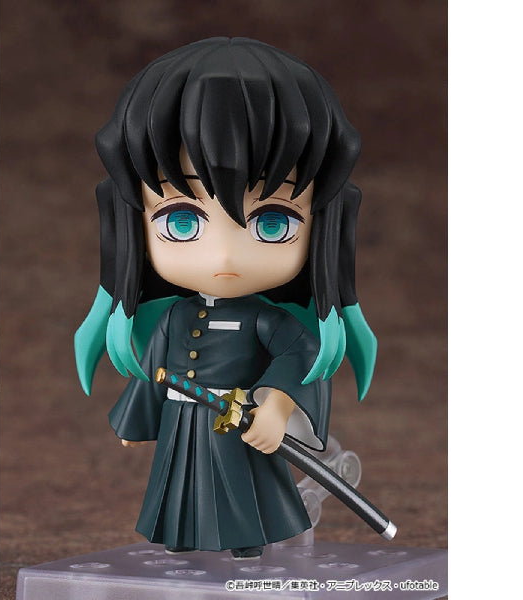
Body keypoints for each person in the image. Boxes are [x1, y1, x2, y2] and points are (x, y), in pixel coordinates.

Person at [75, 37, 377, 559]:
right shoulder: (174, 317)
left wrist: (276, 405)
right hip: (183, 424)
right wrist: (135, 420)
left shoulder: (266, 321)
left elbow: (300, 357)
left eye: (272, 222)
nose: (224, 255)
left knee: (245, 495)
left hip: (239, 422)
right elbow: (153, 372)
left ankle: (246, 548)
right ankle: (181, 540)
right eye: (182, 221)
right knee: (179, 489)